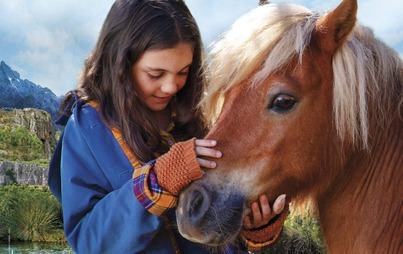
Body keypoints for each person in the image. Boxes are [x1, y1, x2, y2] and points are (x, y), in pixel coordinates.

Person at [48, 0, 285, 253]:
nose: (171, 87)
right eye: (155, 74)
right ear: (121, 64)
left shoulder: (200, 115)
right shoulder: (86, 127)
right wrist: (159, 180)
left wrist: (251, 230)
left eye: (183, 72)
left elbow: (217, 229)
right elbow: (89, 242)